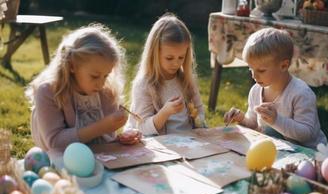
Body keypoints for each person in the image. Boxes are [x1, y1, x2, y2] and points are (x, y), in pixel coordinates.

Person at [26, 24, 141, 155]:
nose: (101, 83)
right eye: (95, 76)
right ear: (72, 66)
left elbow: (105, 140)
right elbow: (55, 143)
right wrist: (102, 127)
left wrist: (121, 139)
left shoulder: (106, 92)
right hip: (60, 160)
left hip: (97, 159)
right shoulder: (49, 92)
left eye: (106, 75)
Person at [224, 27, 327, 148]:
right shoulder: (256, 91)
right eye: (250, 68)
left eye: (261, 70)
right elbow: (254, 124)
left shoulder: (301, 93)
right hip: (278, 150)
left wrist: (276, 120)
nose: (254, 75)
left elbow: (307, 134)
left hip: (309, 154)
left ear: (283, 66)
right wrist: (241, 118)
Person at [124, 13, 206, 135]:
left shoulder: (187, 80)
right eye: (169, 58)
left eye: (181, 57)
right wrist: (165, 112)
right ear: (154, 54)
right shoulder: (144, 85)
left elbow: (199, 112)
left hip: (189, 143)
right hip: (160, 148)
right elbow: (142, 128)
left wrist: (199, 121)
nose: (176, 63)